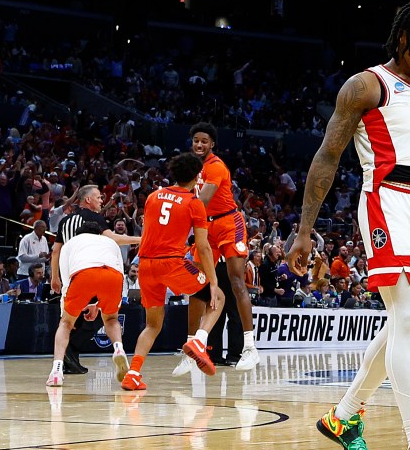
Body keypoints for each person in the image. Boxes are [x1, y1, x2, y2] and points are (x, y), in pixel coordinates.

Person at [286, 2, 410, 450]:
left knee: (401, 323)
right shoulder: (366, 86)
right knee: (407, 317)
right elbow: (328, 156)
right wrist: (305, 229)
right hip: (384, 200)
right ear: (400, 40)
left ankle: (345, 416)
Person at [120, 153, 224, 391]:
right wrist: (214, 280)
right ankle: (199, 341)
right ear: (198, 177)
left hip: (145, 265)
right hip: (171, 263)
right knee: (217, 298)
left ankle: (133, 373)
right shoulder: (194, 203)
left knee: (152, 325)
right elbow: (203, 246)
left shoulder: (154, 196)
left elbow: (150, 231)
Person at [172, 123, 257, 374]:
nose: (199, 145)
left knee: (235, 281)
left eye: (204, 141)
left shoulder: (216, 166)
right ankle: (190, 348)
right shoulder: (191, 168)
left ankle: (250, 348)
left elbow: (202, 201)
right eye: (196, 140)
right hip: (205, 226)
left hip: (229, 223)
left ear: (212, 145)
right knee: (196, 285)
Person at [49, 185, 141, 374]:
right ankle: (106, 350)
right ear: (87, 200)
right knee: (102, 319)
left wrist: (55, 277)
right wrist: (141, 239)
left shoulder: (64, 221)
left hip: (74, 272)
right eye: (99, 197)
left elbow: (56, 251)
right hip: (101, 270)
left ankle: (62, 364)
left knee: (67, 321)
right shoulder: (95, 219)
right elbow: (114, 239)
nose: (102, 201)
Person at [45, 223, 127, 387]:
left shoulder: (71, 243)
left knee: (66, 324)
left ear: (77, 234)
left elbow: (68, 279)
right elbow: (120, 272)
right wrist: (98, 304)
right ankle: (119, 348)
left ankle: (56, 371)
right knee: (111, 319)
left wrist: (67, 313)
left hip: (83, 274)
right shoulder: (110, 242)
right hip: (113, 275)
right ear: (99, 233)